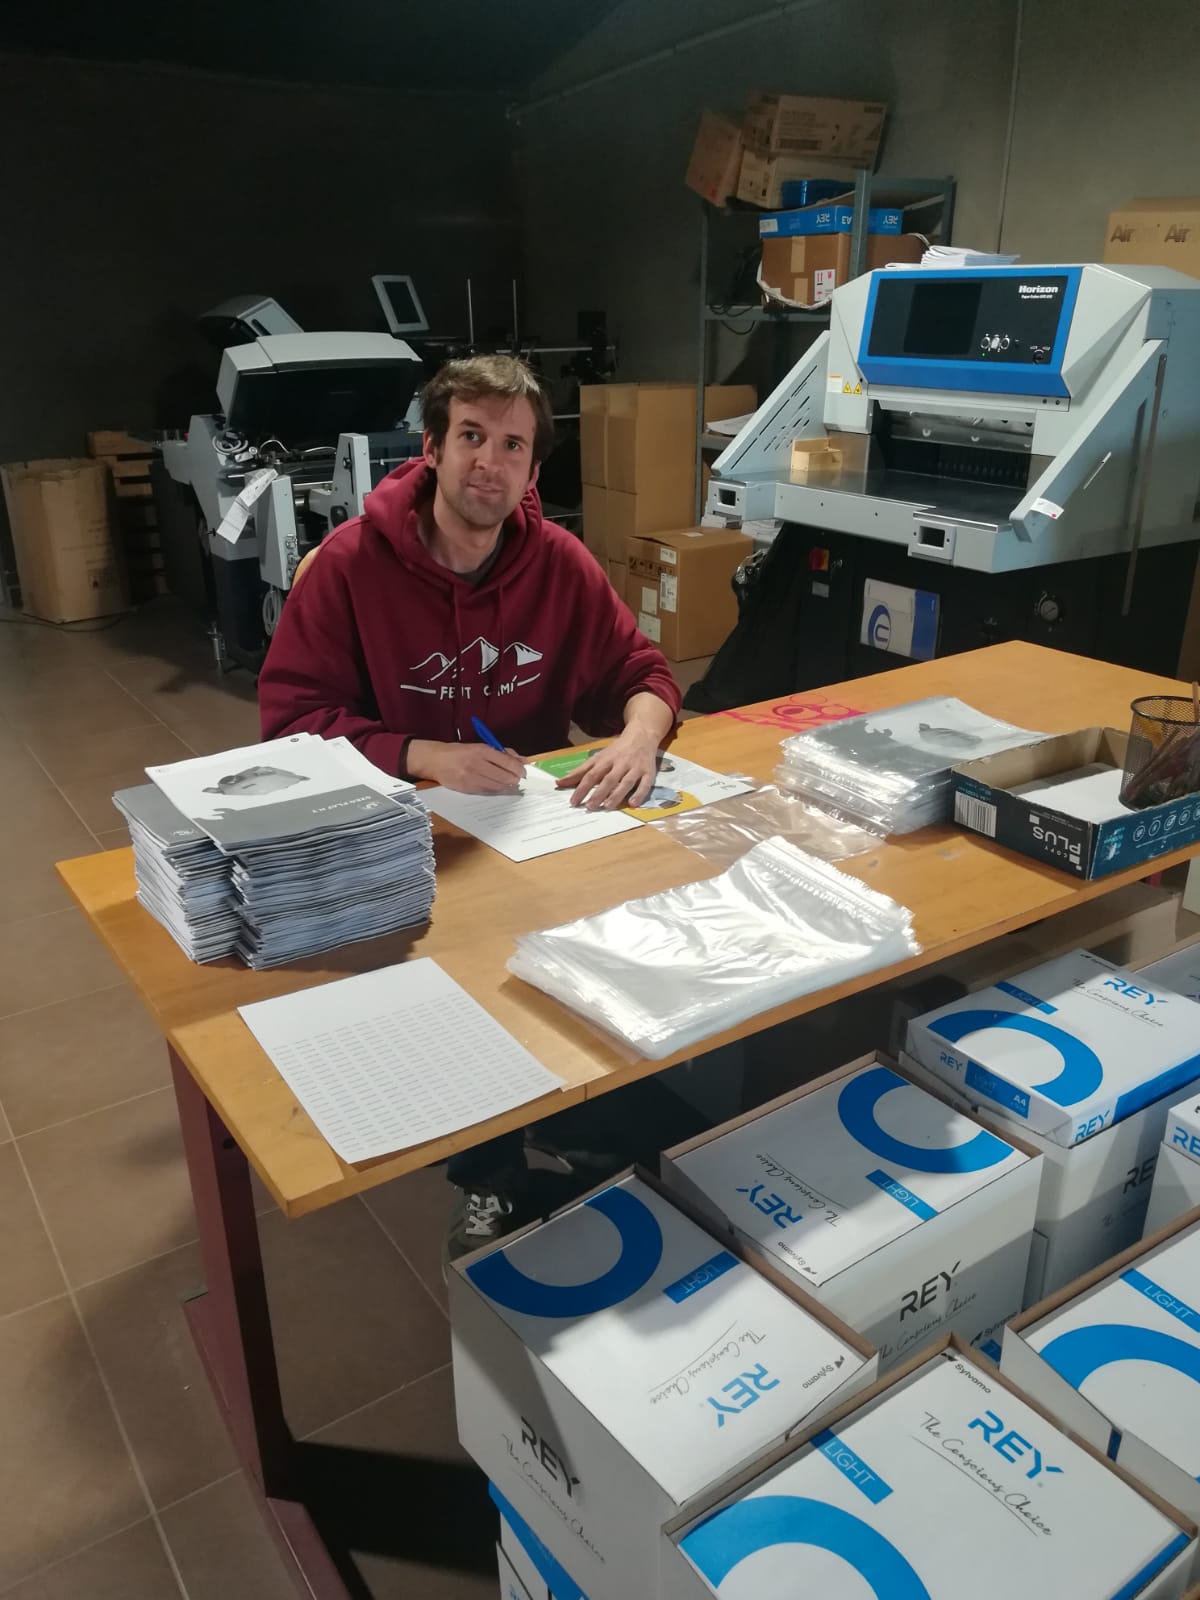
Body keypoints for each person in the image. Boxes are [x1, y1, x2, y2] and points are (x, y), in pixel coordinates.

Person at [258, 353, 682, 1257]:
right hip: (400, 837)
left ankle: (585, 1117)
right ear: (432, 449)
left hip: (524, 830)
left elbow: (641, 674)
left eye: (513, 445)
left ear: (533, 469)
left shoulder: (559, 565)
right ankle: (486, 1171)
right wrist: (422, 755)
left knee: (602, 939)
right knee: (450, 982)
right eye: (472, 437)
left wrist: (640, 736)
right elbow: (290, 724)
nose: (490, 462)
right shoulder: (349, 566)